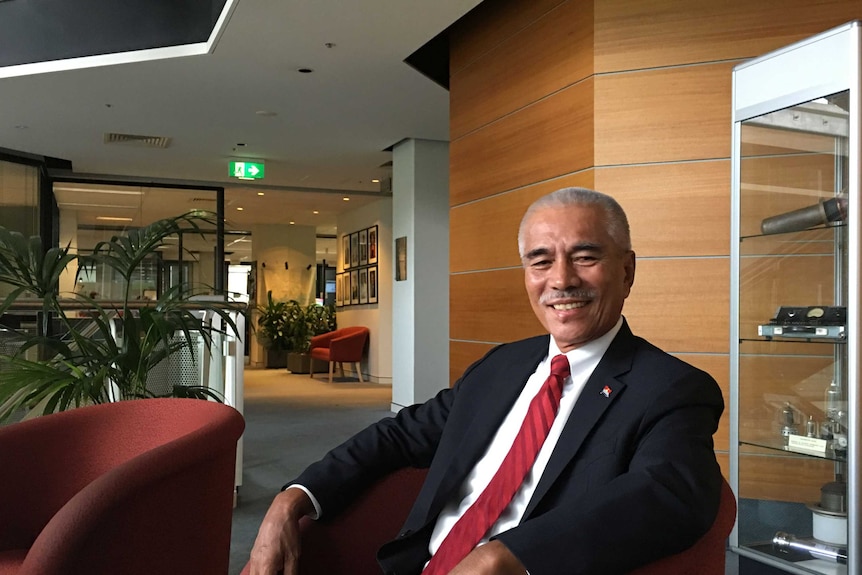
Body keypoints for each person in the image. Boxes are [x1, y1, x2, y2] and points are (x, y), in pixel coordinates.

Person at [248, 187, 724, 575]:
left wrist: (509, 556)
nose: (560, 280)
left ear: (627, 270)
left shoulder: (671, 388)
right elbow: (398, 434)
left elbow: (669, 493)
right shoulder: (502, 367)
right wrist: (293, 498)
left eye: (584, 257)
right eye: (541, 262)